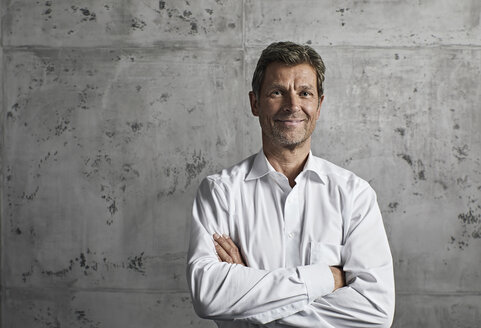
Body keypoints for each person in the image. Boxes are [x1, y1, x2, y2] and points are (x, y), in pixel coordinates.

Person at [186, 41, 395, 327]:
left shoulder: (354, 194)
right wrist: (325, 278)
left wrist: (249, 300)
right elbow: (208, 295)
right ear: (255, 103)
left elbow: (376, 311)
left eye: (305, 93)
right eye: (277, 92)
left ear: (319, 105)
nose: (292, 105)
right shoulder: (220, 192)